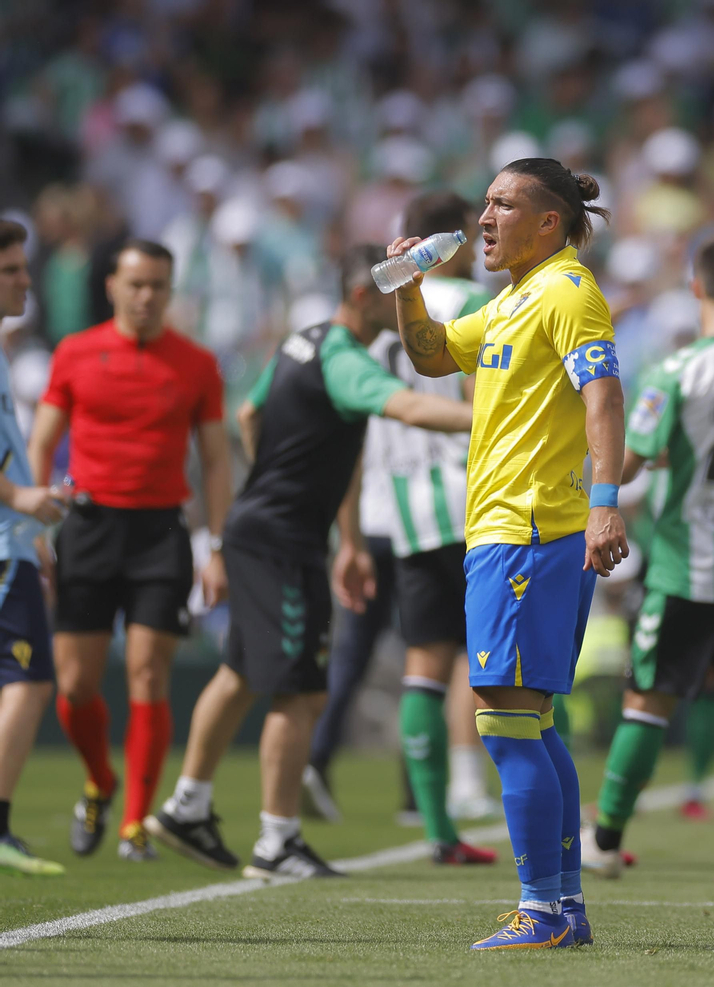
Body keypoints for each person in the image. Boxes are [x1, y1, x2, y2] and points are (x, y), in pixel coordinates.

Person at [145, 244, 472, 877]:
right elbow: (409, 407)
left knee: (239, 673)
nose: (407, 308)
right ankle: (278, 841)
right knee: (300, 691)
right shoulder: (345, 359)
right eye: (397, 295)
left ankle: (188, 805)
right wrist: (490, 415)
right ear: (362, 296)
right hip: (283, 542)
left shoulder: (303, 341)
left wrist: (338, 531)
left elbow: (251, 413)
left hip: (258, 529)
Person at [390, 157, 626, 950]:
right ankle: (564, 906)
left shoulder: (567, 291)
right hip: (508, 532)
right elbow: (431, 354)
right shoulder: (511, 300)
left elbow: (603, 395)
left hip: (530, 531)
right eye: (485, 204)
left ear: (550, 222)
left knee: (504, 717)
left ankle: (542, 909)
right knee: (532, 720)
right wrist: (408, 287)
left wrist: (605, 503)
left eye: (503, 205)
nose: (484, 218)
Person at [584, 236, 714, 885]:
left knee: (648, 700)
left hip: (684, 564)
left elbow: (630, 463)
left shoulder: (675, 370)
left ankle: (606, 840)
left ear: (698, 289)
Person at [303, 190, 501, 841]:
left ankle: (433, 822)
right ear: (450, 238)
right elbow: (482, 407)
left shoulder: (380, 311)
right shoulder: (469, 301)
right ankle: (467, 783)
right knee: (480, 653)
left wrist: (350, 533)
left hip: (401, 507)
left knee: (423, 660)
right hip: (469, 502)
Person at [29, 238, 231, 863]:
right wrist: (35, 522)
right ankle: (100, 782)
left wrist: (215, 544)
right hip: (88, 527)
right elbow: (41, 443)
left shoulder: (196, 363)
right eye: (136, 284)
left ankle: (135, 822)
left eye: (158, 286)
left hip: (160, 534)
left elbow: (216, 461)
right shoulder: (74, 352)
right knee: (75, 685)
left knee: (148, 674)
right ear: (112, 286)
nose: (147, 297)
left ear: (170, 291)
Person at [0, 220, 69, 877]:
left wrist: (31, 519)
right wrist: (19, 500)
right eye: (11, 270)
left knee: (27, 679)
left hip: (13, 541)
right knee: (27, 679)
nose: (25, 280)